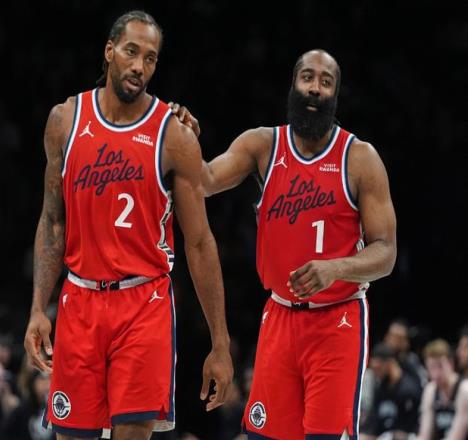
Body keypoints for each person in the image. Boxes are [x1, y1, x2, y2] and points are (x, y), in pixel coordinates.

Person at [23, 10, 233, 440]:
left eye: (150, 58)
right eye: (131, 52)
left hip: (143, 303)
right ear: (109, 51)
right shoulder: (65, 120)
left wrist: (220, 342)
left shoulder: (174, 135)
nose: (139, 66)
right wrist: (37, 308)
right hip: (80, 299)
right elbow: (53, 221)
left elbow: (199, 242)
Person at [174, 49, 397, 439]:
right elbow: (205, 180)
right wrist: (185, 141)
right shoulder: (263, 144)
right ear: (293, 85)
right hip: (279, 315)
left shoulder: (360, 158)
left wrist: (336, 267)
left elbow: (386, 252)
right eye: (307, 77)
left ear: (335, 95)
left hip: (337, 320)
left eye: (325, 82)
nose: (315, 88)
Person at [360, 343, 422, 439]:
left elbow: (410, 428)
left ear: (390, 364)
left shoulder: (408, 390)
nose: (376, 374)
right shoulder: (381, 388)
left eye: (378, 368)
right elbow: (373, 421)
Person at [417, 339, 462, 440]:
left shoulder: (464, 390)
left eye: (440, 366)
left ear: (450, 363)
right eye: (431, 367)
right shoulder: (430, 391)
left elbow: (458, 436)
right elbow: (424, 434)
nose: (436, 374)